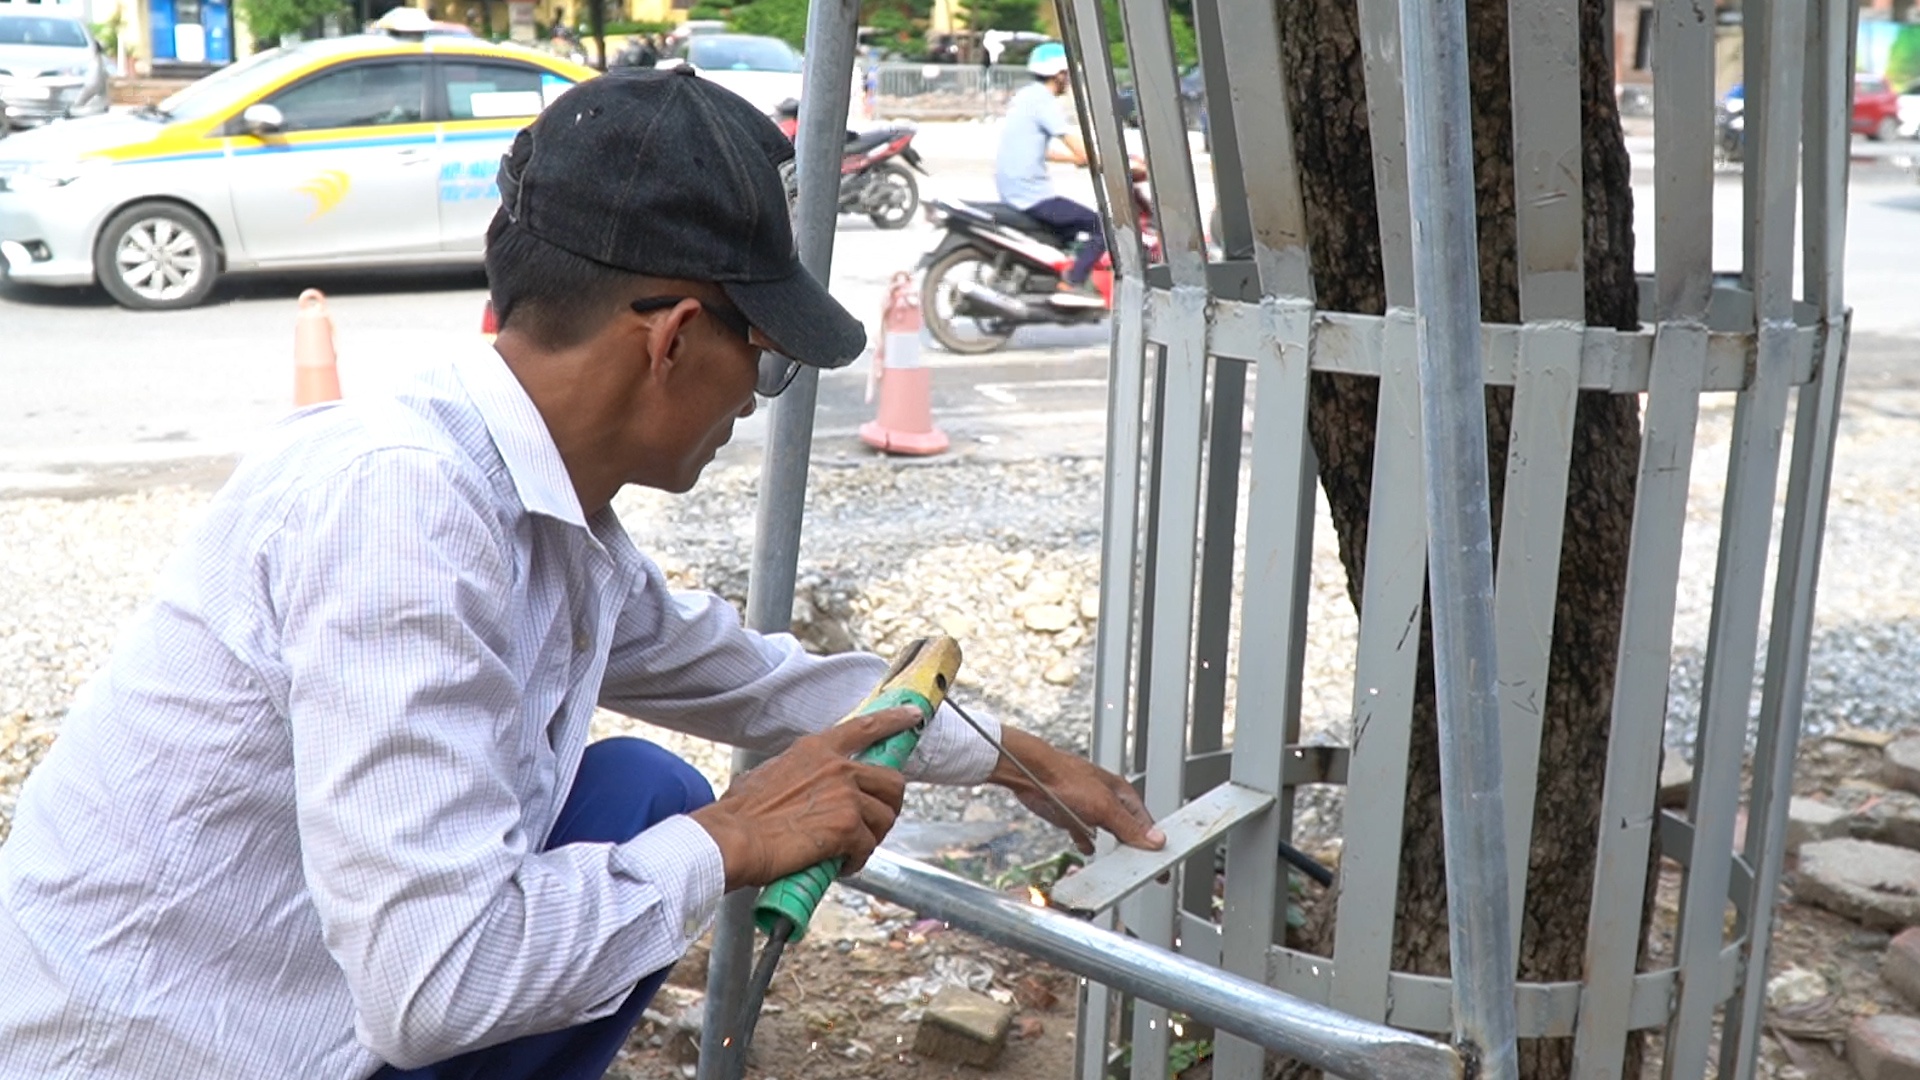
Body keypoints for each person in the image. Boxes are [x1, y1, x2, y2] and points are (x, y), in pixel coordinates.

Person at [0, 68, 1163, 1080]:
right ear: (671, 339)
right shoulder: (397, 504)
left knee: (637, 796)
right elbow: (435, 988)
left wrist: (1016, 759)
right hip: (159, 1046)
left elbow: (750, 677)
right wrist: (732, 836)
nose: (746, 410)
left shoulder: (545, 514)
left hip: (299, 1000)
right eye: (758, 367)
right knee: (666, 817)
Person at [994, 41, 1122, 297]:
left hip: (1012, 189)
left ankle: (1056, 275)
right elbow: (1070, 139)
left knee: (1069, 232)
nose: (1070, 81)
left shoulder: (1026, 97)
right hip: (1032, 195)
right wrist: (1106, 163)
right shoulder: (1044, 101)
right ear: (1058, 74)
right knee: (1103, 226)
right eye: (1068, 74)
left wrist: (1076, 159)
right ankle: (1073, 282)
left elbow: (1040, 150)